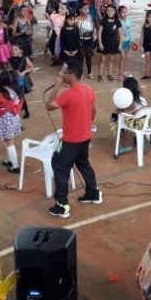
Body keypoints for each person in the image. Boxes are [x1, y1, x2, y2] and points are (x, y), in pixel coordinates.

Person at [45, 59, 101, 218]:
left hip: (71, 140)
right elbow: (93, 111)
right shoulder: (89, 89)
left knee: (60, 166)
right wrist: (85, 124)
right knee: (83, 164)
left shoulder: (68, 94)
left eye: (63, 72)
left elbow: (49, 105)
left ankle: (61, 205)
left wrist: (57, 85)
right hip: (85, 137)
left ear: (71, 75)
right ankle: (93, 193)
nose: (60, 74)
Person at [0, 70, 24, 172]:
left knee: (9, 142)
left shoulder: (0, 94)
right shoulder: (16, 91)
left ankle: (15, 166)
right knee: (9, 140)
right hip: (14, 118)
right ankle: (11, 159)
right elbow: (20, 105)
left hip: (5, 120)